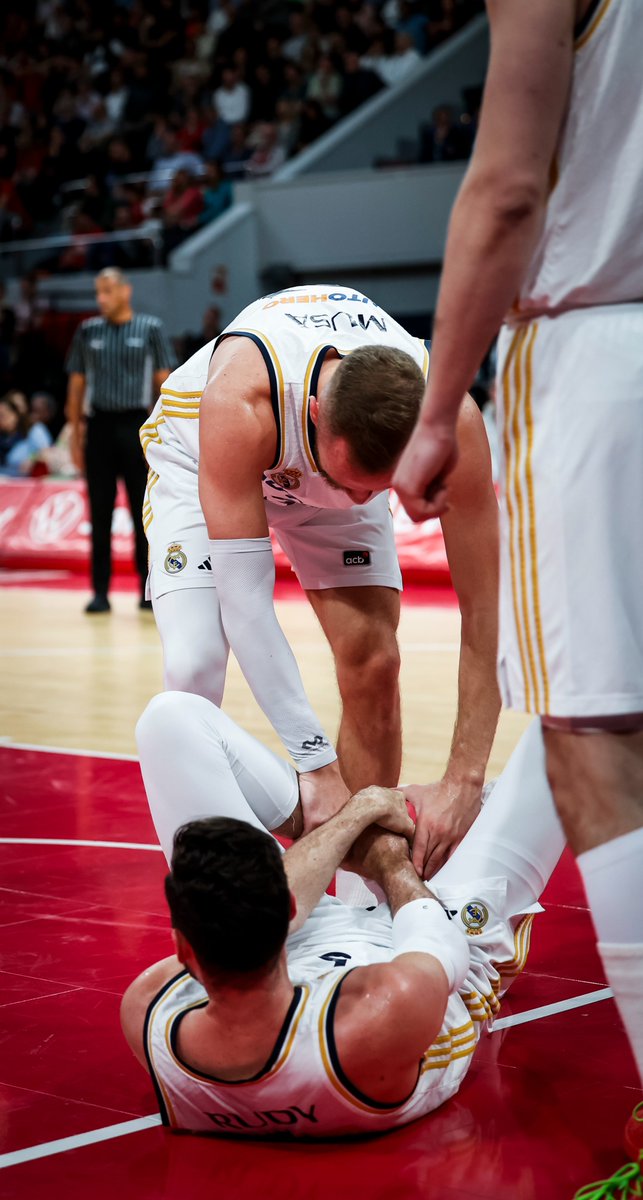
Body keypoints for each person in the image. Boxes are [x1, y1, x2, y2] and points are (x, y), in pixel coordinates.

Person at [392, 0, 643, 1119]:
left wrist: (439, 408)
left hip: (600, 353)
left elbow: (505, 189)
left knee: (592, 737)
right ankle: (481, 911)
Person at [140, 283, 500, 878]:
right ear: (313, 413)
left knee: (374, 660)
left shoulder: (452, 419)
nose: (361, 500)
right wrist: (314, 765)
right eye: (357, 481)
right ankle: (213, 903)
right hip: (202, 456)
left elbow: (487, 609)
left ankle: (367, 893)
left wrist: (465, 777)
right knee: (193, 666)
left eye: (379, 489)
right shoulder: (239, 399)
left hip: (319, 451)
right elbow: (246, 601)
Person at [121, 696, 564, 1138]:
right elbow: (437, 940)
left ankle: (333, 815)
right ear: (291, 908)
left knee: (168, 720)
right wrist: (384, 848)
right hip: (440, 935)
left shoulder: (150, 1011)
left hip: (305, 945)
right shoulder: (384, 1012)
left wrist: (354, 819)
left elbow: (236, 926)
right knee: (579, 720)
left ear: (182, 949)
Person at [66, 268, 176, 613]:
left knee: (143, 512)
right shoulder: (87, 331)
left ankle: (148, 591)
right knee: (99, 512)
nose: (101, 298)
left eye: (108, 291)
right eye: (98, 292)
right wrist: (74, 433)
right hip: (98, 426)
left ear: (126, 292)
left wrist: (166, 434)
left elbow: (165, 384)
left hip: (135, 426)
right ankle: (100, 592)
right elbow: (77, 383)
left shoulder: (150, 329)